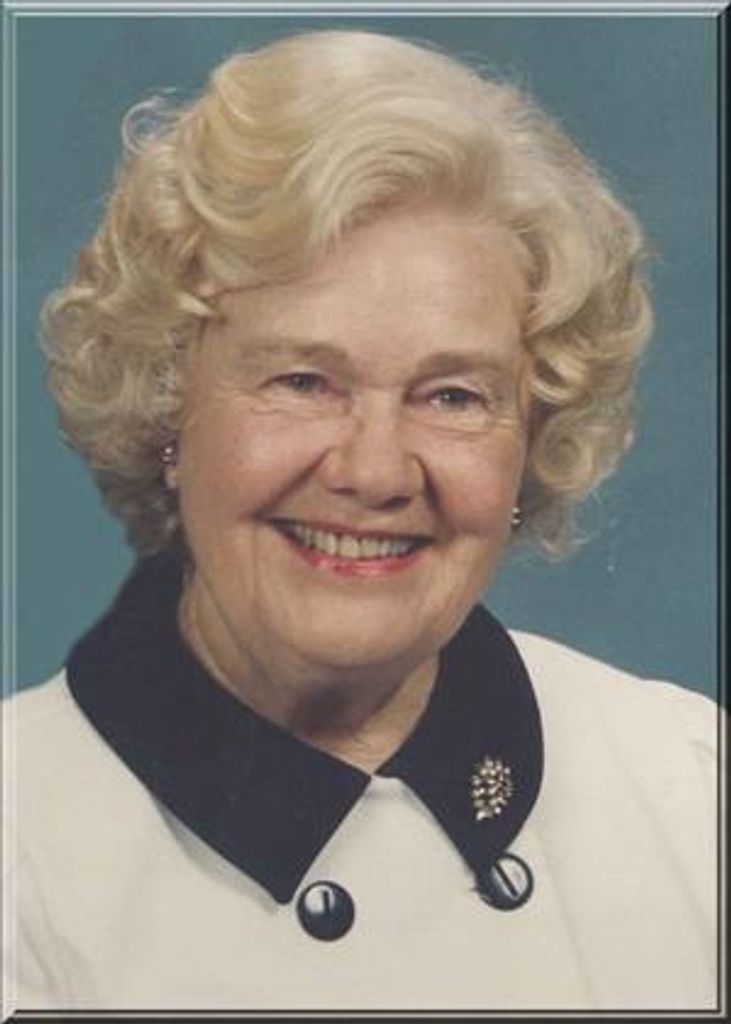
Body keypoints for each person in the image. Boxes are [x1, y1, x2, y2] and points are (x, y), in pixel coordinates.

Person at [5, 29, 719, 1013]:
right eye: (302, 381)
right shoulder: (21, 848)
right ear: (167, 407)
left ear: (532, 441)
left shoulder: (688, 786)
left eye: (453, 395)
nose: (374, 471)